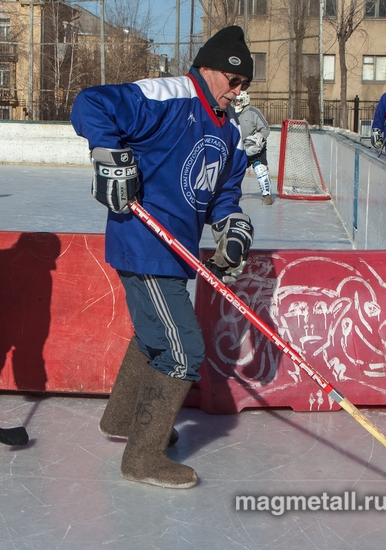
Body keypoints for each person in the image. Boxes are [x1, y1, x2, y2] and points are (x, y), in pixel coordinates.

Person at [70, 26, 255, 489]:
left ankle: (123, 420)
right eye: (233, 81)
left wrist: (231, 227)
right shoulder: (169, 94)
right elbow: (90, 103)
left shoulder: (230, 134)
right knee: (181, 350)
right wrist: (107, 152)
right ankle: (144, 458)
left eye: (245, 85)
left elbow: (224, 195)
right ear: (209, 70)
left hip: (179, 251)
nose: (238, 92)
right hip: (144, 240)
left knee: (155, 334)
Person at [234, 91, 273, 205]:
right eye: (236, 100)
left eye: (240, 100)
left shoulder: (253, 112)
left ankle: (267, 196)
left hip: (256, 148)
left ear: (245, 100)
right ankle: (232, 194)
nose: (237, 103)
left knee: (260, 169)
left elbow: (266, 128)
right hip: (240, 148)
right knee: (235, 171)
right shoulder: (232, 113)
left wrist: (259, 138)